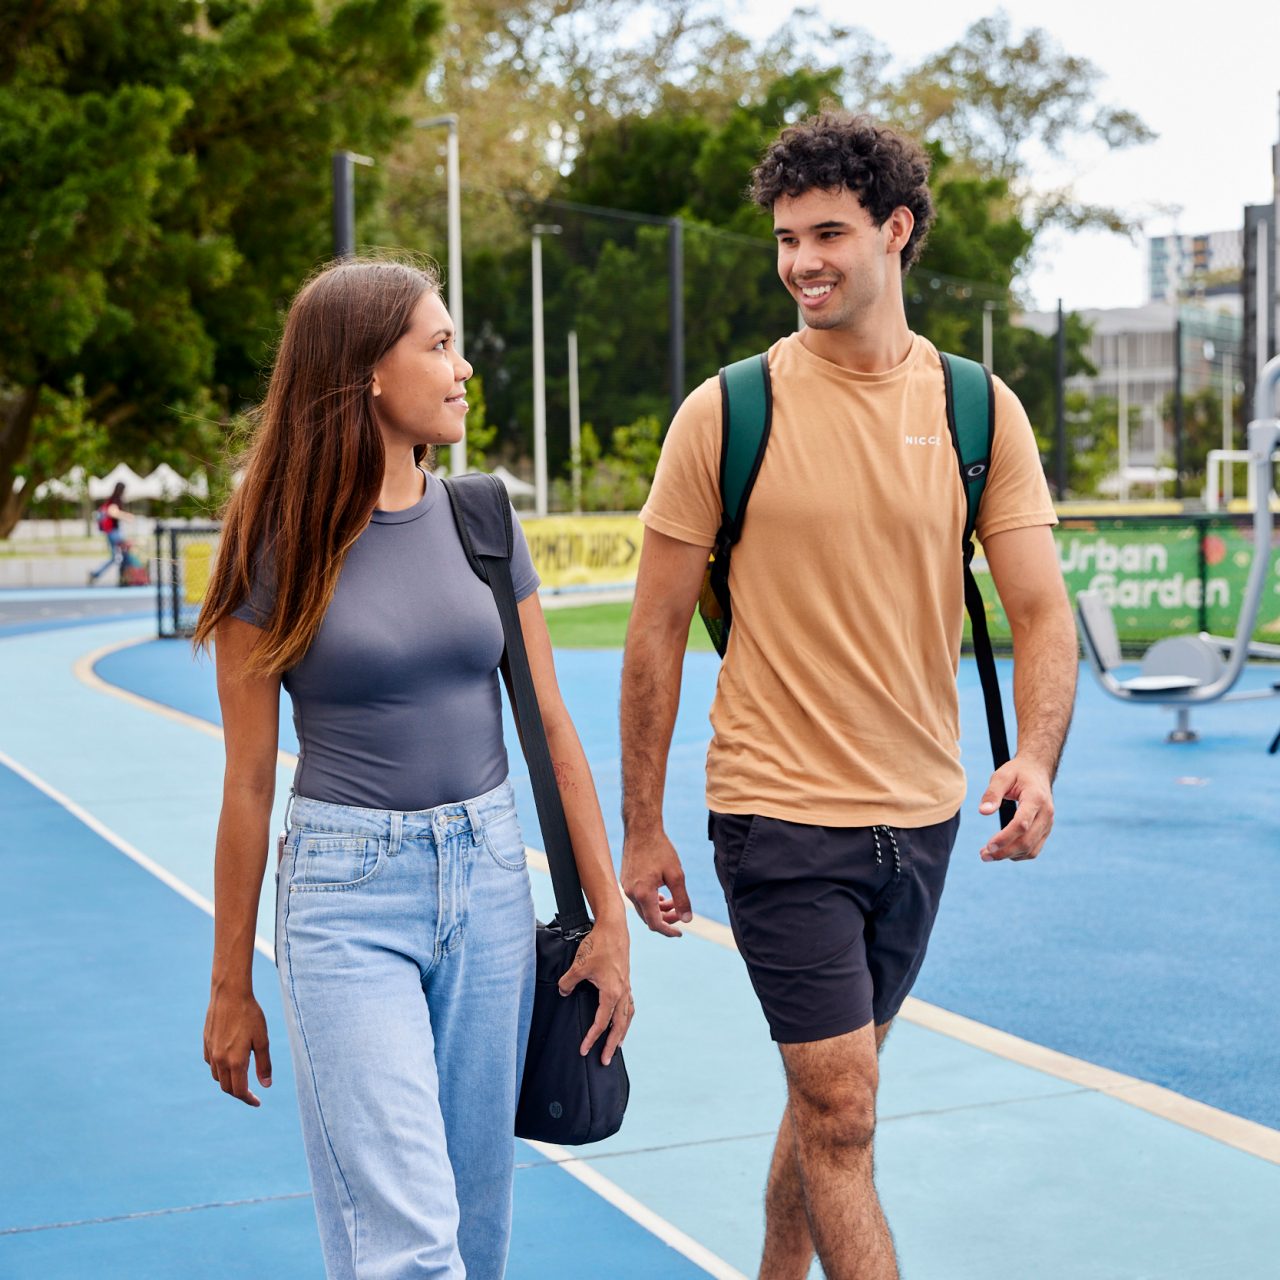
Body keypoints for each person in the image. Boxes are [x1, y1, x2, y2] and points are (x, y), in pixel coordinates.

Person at [619, 113, 1077, 1280]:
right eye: (783, 238)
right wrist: (639, 823)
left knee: (830, 1096)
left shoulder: (978, 410)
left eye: (826, 231)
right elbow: (654, 635)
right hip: (774, 809)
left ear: (895, 230)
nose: (800, 261)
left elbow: (1038, 610)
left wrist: (1033, 755)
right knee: (840, 1108)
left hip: (917, 815)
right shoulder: (726, 412)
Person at [194, 257, 632, 1280]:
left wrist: (605, 915)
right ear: (364, 376)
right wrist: (228, 981)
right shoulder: (271, 535)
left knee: (475, 1234)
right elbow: (248, 781)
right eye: (437, 345)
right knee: (411, 1244)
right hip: (344, 899)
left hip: (487, 881)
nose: (463, 367)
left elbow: (553, 726)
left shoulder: (480, 517)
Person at [87, 482, 130, 584]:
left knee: (116, 557)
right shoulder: (116, 500)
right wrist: (126, 516)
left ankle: (96, 573)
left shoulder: (111, 499)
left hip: (111, 532)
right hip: (114, 532)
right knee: (123, 554)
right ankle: (125, 578)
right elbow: (112, 512)